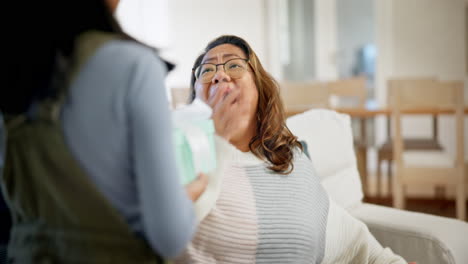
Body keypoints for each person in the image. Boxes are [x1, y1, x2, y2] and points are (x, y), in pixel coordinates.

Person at [0, 0, 207, 262]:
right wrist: (187, 197)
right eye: (209, 68)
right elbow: (169, 236)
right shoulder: (134, 67)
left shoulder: (14, 73)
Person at [174, 35, 407, 263]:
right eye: (206, 71)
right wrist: (217, 139)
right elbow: (172, 228)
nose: (219, 76)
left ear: (259, 88)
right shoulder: (180, 152)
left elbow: (350, 239)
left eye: (234, 65)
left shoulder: (289, 156)